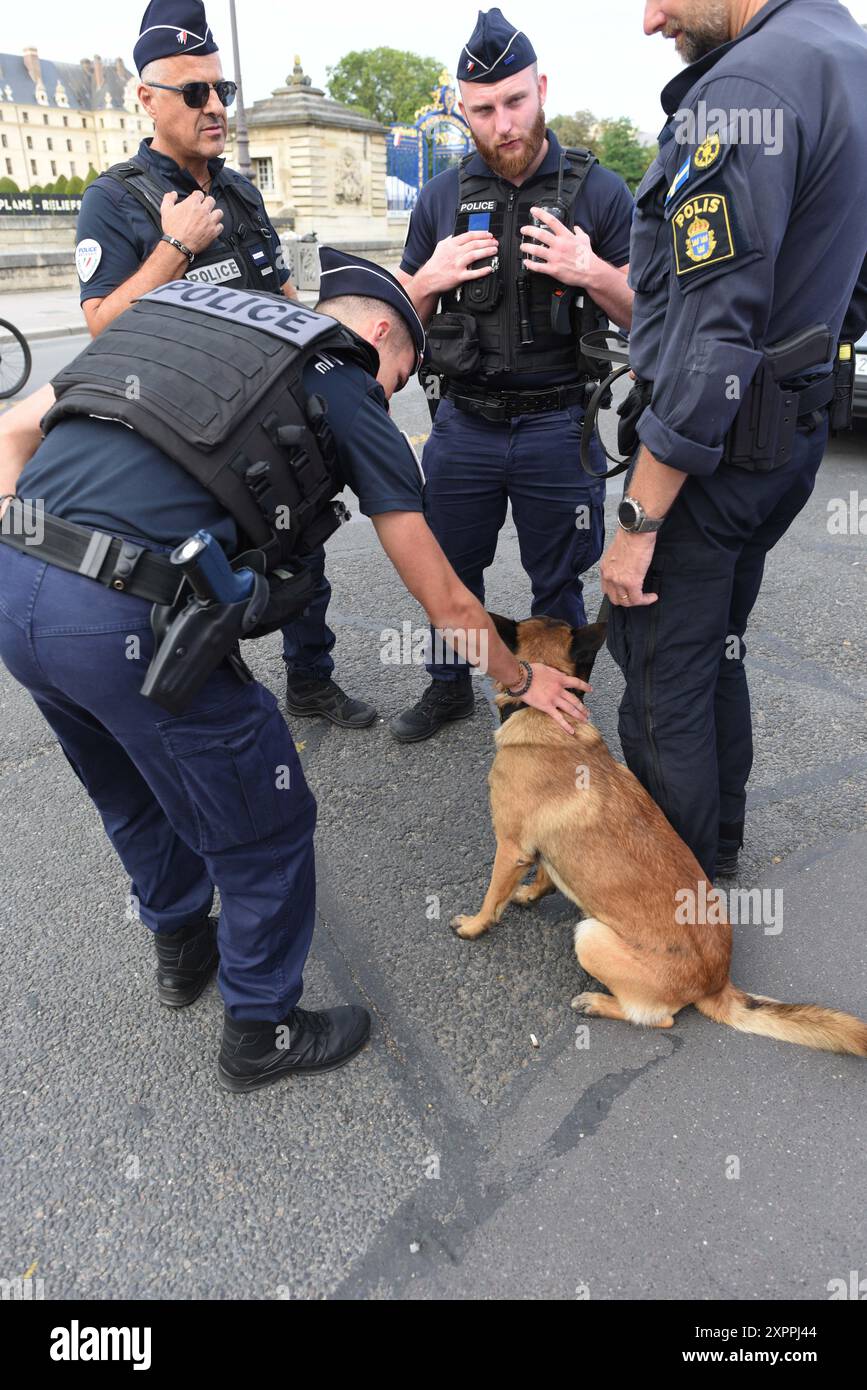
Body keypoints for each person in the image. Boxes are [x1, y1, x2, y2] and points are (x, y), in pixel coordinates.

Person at [0, 252, 592, 1094]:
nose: (391, 394)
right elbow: (447, 603)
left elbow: (11, 432)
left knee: (128, 785)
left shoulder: (190, 321)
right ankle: (261, 1029)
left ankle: (181, 951)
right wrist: (520, 679)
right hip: (122, 619)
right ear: (382, 332)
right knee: (262, 821)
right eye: (402, 375)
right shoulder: (343, 378)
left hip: (15, 581)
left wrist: (32, 548)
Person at [598, 0, 867, 880]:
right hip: (781, 440)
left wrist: (638, 524)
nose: (649, 20)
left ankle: (673, 906)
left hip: (711, 455)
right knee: (716, 650)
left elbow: (714, 336)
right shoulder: (842, 53)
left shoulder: (746, 85)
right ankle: (713, 857)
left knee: (663, 672)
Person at [75, 0, 374, 732]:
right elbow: (100, 326)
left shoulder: (238, 190)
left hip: (264, 423)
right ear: (147, 98)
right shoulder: (115, 200)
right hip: (174, 437)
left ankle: (311, 679)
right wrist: (172, 249)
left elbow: (283, 293)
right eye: (195, 92)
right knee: (191, 581)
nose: (215, 107)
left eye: (223, 90)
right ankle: (208, 712)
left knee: (302, 554)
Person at [391, 7, 635, 743]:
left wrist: (589, 271)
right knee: (447, 569)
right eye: (483, 110)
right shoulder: (439, 199)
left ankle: (558, 695)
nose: (503, 123)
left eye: (515, 101)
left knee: (557, 580)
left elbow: (644, 317)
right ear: (462, 112)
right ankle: (447, 687)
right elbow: (394, 317)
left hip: (560, 424)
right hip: (462, 423)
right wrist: (425, 279)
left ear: (542, 91)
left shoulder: (601, 192)